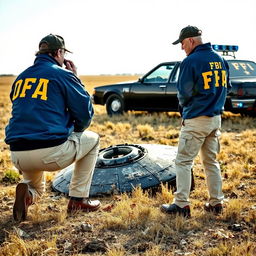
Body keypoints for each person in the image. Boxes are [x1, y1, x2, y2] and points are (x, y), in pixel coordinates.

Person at [5, 34, 101, 222]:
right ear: (59, 52)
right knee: (93, 139)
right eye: (63, 53)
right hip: (50, 152)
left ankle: (27, 196)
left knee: (37, 188)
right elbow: (84, 114)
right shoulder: (62, 74)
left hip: (19, 154)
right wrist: (75, 79)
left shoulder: (20, 78)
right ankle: (78, 199)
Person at [160, 26, 230, 217]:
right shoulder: (220, 59)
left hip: (196, 119)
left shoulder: (190, 61)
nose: (182, 48)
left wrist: (185, 113)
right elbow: (227, 87)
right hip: (215, 119)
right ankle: (217, 203)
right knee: (211, 162)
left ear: (190, 40)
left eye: (182, 44)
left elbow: (184, 94)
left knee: (183, 161)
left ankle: (181, 205)